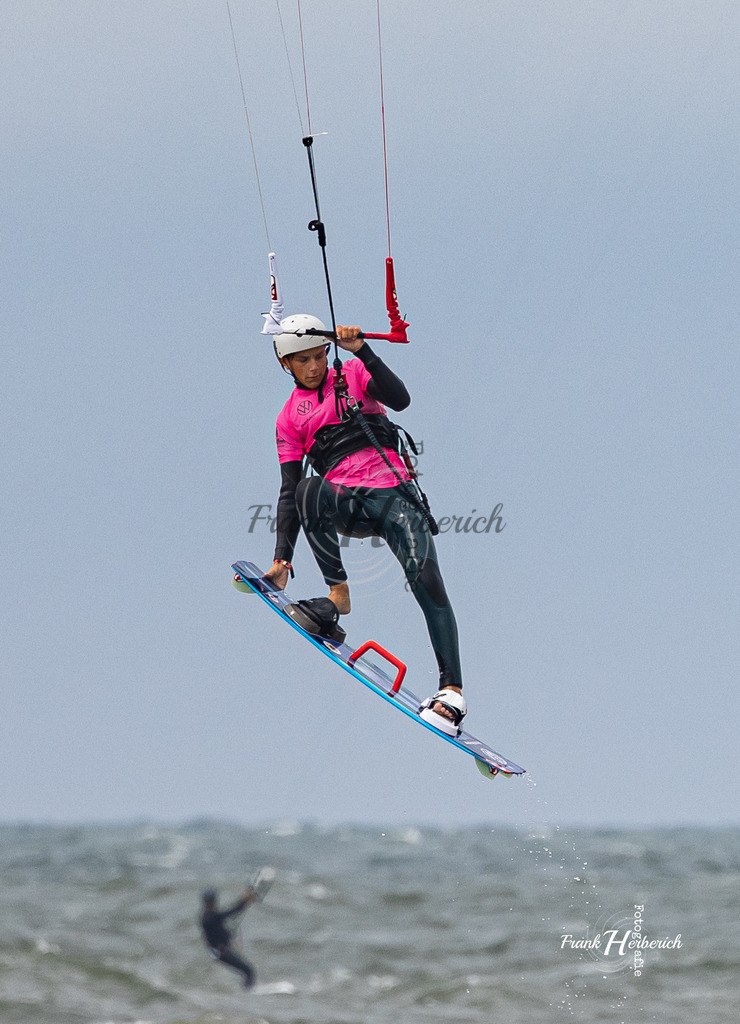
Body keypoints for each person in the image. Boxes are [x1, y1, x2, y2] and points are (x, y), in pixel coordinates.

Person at [261, 313, 468, 736]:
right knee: (308, 490)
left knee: (428, 581)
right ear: (286, 365)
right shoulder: (289, 419)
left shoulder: (351, 373)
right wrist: (282, 558)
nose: (316, 366)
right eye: (304, 361)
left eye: (320, 355)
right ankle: (337, 597)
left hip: (397, 499)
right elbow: (288, 490)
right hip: (349, 504)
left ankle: (452, 693)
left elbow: (401, 399)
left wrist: (363, 351)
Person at [200, 887, 257, 988]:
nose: (213, 902)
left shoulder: (209, 916)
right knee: (248, 971)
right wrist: (244, 901)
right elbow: (231, 912)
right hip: (221, 953)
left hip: (222, 951)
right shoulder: (210, 917)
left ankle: (246, 989)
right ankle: (248, 993)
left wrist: (244, 901)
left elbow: (222, 924)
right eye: (212, 900)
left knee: (247, 971)